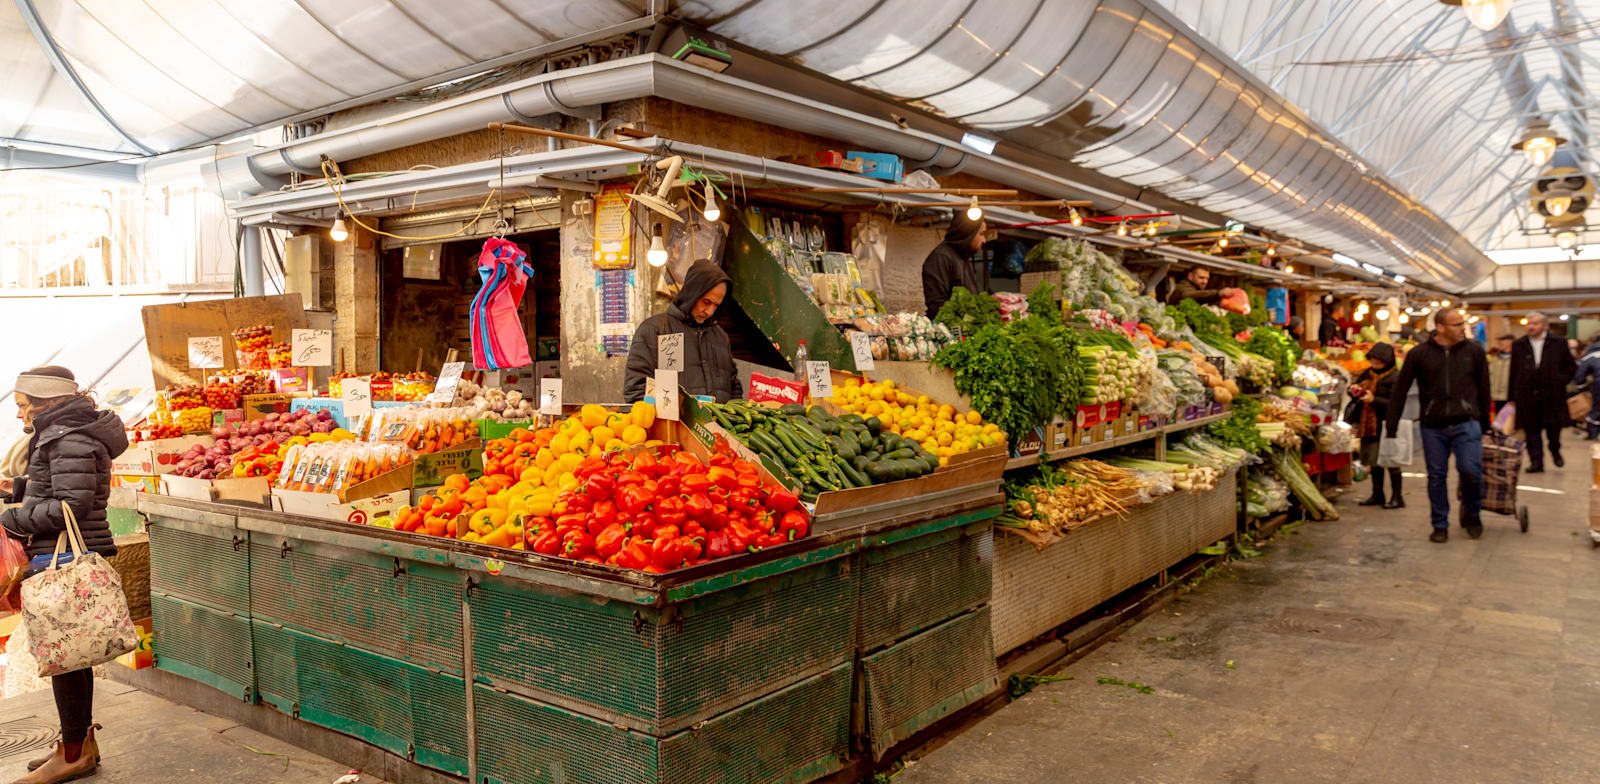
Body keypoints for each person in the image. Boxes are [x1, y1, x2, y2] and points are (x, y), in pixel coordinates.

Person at [0, 366, 124, 784]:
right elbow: (59, 488)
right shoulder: (63, 434)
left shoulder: (69, 437)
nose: (18, 415)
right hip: (66, 552)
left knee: (65, 660)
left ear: (43, 401)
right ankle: (79, 743)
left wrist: (14, 518)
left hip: (67, 556)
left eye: (22, 406)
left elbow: (73, 506)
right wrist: (17, 489)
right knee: (70, 657)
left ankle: (73, 754)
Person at [1385, 310, 1490, 543]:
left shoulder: (1474, 351)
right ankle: (1439, 524)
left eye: (1462, 323)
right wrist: (1391, 425)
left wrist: (1486, 424)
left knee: (1471, 471)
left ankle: (1472, 513)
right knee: (1436, 476)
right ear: (1440, 327)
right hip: (1433, 427)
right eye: (1457, 325)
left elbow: (1484, 387)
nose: (1463, 328)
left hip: (1467, 423)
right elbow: (1400, 389)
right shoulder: (1419, 354)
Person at [625, 261, 743, 403]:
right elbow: (636, 389)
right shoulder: (656, 330)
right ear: (692, 294)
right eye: (706, 302)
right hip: (671, 425)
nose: (710, 311)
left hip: (717, 425)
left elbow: (733, 387)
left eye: (716, 305)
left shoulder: (721, 337)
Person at [1509, 312, 1576, 472]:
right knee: (1531, 429)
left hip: (1552, 394)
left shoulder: (1558, 342)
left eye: (1535, 323)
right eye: (1528, 323)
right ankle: (1536, 462)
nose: (1530, 327)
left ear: (1545, 325)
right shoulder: (1519, 344)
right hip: (1528, 395)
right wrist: (1512, 396)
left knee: (1554, 428)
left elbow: (1570, 367)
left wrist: (1559, 380)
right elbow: (1514, 371)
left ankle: (1555, 450)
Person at [1349, 343, 1403, 508]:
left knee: (1391, 460)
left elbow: (1396, 403)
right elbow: (1356, 389)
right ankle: (1377, 494)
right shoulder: (1368, 373)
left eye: (1378, 362)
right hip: (1368, 424)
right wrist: (1354, 390)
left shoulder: (1395, 377)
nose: (1375, 365)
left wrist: (1374, 400)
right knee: (1374, 461)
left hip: (1387, 424)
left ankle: (1397, 497)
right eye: (1372, 361)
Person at [921, 212, 986, 319]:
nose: (984, 240)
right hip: (948, 330)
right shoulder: (941, 257)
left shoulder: (963, 257)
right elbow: (937, 305)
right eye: (982, 234)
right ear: (968, 233)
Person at [1165, 266, 1237, 306]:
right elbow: (1189, 295)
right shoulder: (1183, 287)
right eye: (1201, 278)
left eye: (1207, 279)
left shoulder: (1195, 289)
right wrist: (1218, 293)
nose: (1205, 282)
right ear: (1190, 276)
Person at [1574, 335, 1600, 440]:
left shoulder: (1590, 355)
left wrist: (1582, 388)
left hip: (1598, 384)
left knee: (1596, 409)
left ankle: (1593, 433)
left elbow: (1580, 375)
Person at [1488, 334, 1513, 415]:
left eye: (1503, 341)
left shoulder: (1516, 358)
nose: (1500, 343)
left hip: (1509, 397)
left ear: (1510, 342)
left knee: (1508, 422)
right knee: (1498, 422)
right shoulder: (1495, 358)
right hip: (1496, 396)